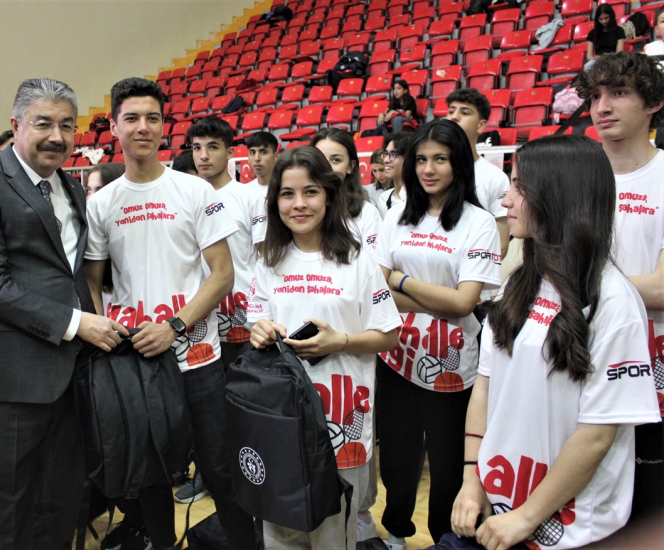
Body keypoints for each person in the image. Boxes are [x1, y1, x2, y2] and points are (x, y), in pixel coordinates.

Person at [0, 78, 128, 550]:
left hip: (69, 381)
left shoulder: (69, 187)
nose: (57, 136)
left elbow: (73, 275)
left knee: (63, 507)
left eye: (67, 126)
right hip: (5, 385)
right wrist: (77, 323)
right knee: (11, 519)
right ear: (16, 125)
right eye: (43, 123)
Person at [451, 135, 661, 550]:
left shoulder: (614, 302)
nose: (506, 201)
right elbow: (486, 387)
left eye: (520, 187)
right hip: (499, 506)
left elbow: (598, 435)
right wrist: (471, 477)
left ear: (559, 196)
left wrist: (527, 517)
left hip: (570, 528)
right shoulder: (517, 285)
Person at [84, 78, 257, 550]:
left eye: (153, 118)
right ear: (115, 127)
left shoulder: (195, 191)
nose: (143, 127)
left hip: (197, 357)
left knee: (221, 472)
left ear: (164, 126)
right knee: (151, 475)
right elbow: (93, 283)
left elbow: (222, 275)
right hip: (137, 365)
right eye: (132, 118)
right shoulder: (101, 203)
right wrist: (107, 333)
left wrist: (175, 326)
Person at [247, 146, 401, 550]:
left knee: (334, 535)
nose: (299, 204)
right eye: (287, 193)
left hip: (342, 421)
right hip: (280, 422)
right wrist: (260, 330)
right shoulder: (268, 260)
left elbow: (389, 335)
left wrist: (342, 341)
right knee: (280, 532)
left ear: (329, 196)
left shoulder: (357, 259)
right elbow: (255, 322)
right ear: (274, 199)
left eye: (310, 191)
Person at [372, 119, 502, 549]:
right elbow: (375, 289)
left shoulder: (478, 222)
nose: (429, 169)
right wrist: (433, 295)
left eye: (440, 160)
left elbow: (465, 303)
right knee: (397, 458)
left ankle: (445, 540)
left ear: (458, 163)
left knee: (447, 466)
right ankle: (396, 529)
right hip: (396, 356)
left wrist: (402, 282)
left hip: (452, 366)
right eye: (422, 159)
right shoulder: (396, 216)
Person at [576, 51, 664, 518]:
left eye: (619, 93)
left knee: (645, 502)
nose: (602, 107)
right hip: (574, 351)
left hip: (649, 364)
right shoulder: (575, 175)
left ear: (654, 103)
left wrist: (578, 282)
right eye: (594, 96)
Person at [188, 116, 267, 368]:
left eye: (212, 147)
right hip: (195, 318)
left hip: (242, 321)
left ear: (230, 152)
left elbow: (265, 259)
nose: (203, 156)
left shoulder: (250, 198)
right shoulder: (185, 199)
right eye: (197, 147)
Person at [445, 88, 510, 261]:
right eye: (451, 111)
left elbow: (501, 246)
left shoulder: (495, 177)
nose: (454, 116)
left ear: (481, 125)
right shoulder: (426, 173)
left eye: (464, 112)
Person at [310, 128, 381, 252]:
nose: (326, 167)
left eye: (336, 160)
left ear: (350, 166)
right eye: (319, 159)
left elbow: (376, 268)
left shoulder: (367, 213)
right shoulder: (298, 210)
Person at [377, 132, 413, 219]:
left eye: (393, 154)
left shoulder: (421, 199)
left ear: (409, 158)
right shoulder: (384, 198)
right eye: (385, 154)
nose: (386, 160)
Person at [246, 131, 280, 200]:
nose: (257, 158)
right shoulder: (244, 192)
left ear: (276, 156)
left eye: (263, 152)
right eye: (252, 152)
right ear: (248, 157)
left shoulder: (285, 188)